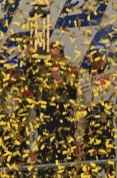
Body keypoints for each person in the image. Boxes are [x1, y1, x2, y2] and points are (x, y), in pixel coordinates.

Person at [76, 47, 117, 177]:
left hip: (108, 126)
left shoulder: (111, 74)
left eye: (100, 56)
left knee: (111, 169)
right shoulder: (83, 79)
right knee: (88, 170)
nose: (97, 60)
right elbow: (80, 111)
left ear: (105, 58)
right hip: (90, 129)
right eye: (94, 56)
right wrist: (79, 138)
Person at [34, 42, 78, 176]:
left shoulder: (70, 71)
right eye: (50, 55)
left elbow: (75, 95)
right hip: (46, 127)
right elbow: (37, 104)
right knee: (46, 167)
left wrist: (60, 80)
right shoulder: (41, 72)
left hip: (65, 126)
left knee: (65, 166)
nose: (52, 58)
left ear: (62, 56)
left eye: (55, 55)